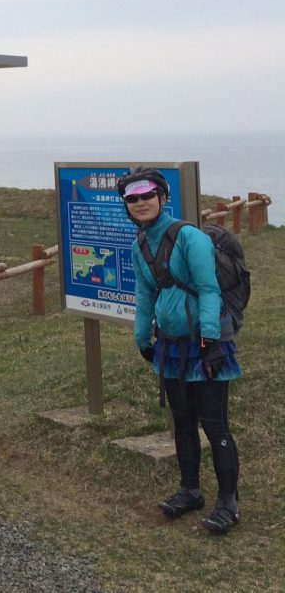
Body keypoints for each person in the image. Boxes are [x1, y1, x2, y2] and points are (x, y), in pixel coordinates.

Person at [119, 167, 242, 535]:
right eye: (132, 198)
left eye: (147, 195)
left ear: (163, 197)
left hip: (206, 345)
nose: (140, 203)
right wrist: (143, 339)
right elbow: (145, 294)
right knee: (183, 421)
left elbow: (208, 289)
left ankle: (228, 503)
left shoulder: (189, 237)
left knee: (215, 424)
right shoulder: (139, 244)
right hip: (171, 348)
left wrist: (211, 342)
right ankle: (190, 490)